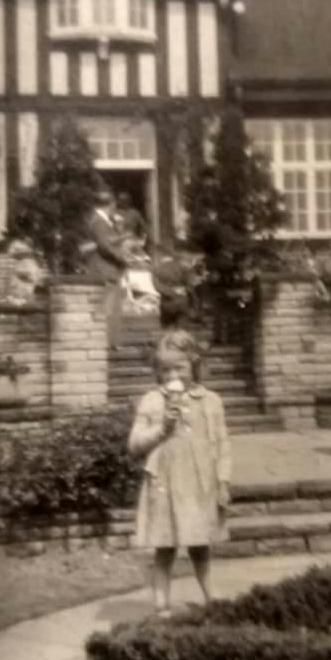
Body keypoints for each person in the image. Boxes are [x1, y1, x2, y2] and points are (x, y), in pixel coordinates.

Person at [128, 330, 231, 616]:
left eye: (180, 367)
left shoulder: (210, 400)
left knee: (200, 544)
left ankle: (211, 595)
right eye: (165, 369)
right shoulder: (151, 400)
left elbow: (222, 444)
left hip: (200, 481)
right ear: (157, 372)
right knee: (166, 545)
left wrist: (223, 482)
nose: (172, 374)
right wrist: (162, 427)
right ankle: (161, 603)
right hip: (165, 480)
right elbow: (134, 444)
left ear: (194, 366)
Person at [81, 184, 130, 348]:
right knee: (110, 307)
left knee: (111, 305)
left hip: (105, 266)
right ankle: (110, 342)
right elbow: (104, 245)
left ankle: (112, 341)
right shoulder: (99, 221)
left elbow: (104, 242)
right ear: (111, 204)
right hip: (105, 268)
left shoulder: (99, 220)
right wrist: (122, 259)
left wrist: (119, 235)